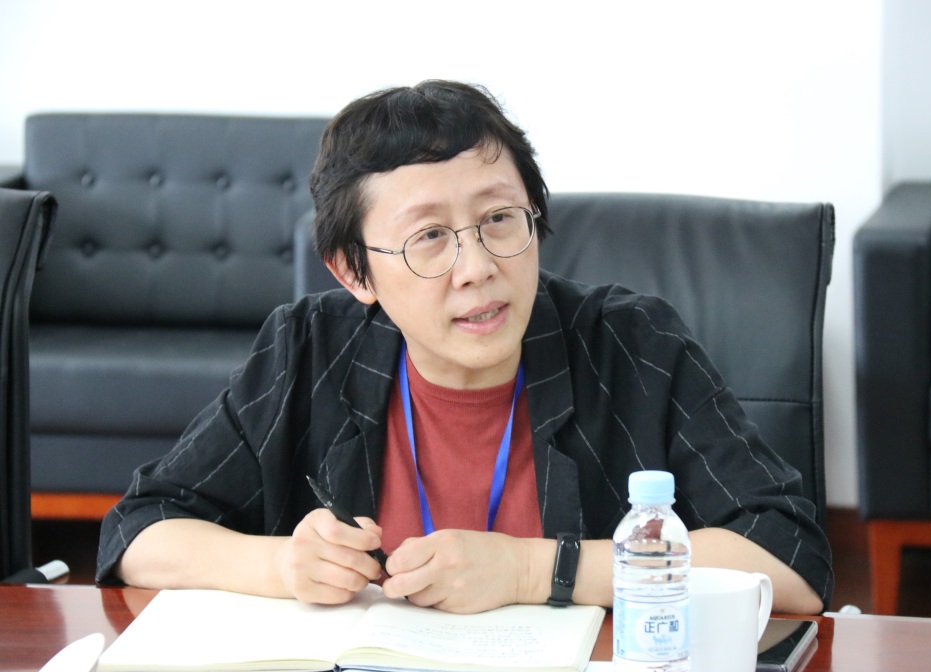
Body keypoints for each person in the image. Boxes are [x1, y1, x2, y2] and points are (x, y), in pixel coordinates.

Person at [97, 80, 832, 615]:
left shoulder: (633, 345)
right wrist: (282, 563)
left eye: (499, 219)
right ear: (354, 271)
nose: (477, 266)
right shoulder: (308, 349)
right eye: (429, 237)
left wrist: (533, 570)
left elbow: (790, 559)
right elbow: (139, 533)